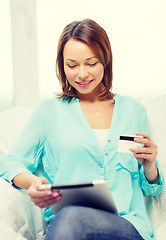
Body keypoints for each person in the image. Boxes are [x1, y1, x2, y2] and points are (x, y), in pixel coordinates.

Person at [0, 19, 164, 240]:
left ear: (105, 61)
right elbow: (9, 162)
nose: (82, 74)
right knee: (70, 218)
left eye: (91, 63)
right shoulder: (48, 112)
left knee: (71, 218)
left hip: (126, 226)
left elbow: (151, 188)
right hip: (67, 227)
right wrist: (34, 183)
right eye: (72, 65)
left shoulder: (134, 112)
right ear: (62, 65)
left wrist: (150, 165)